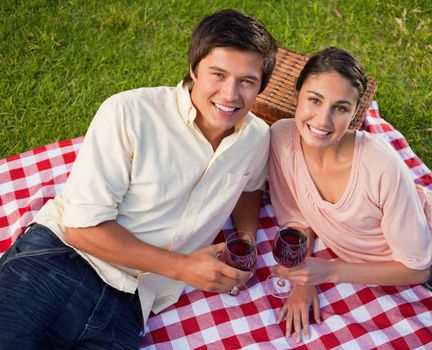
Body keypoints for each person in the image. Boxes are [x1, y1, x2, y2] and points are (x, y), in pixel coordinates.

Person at [0, 9, 277, 349]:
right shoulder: (129, 113)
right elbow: (81, 229)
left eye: (246, 81)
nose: (231, 94)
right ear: (193, 69)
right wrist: (183, 269)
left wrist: (246, 239)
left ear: (261, 85)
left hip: (130, 305)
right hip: (60, 264)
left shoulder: (257, 138)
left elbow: (249, 186)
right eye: (217, 74)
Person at [268, 47, 432, 349]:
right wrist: (302, 281)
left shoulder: (378, 161)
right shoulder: (282, 139)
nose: (323, 120)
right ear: (297, 94)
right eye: (314, 99)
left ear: (355, 113)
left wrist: (327, 272)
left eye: (340, 108)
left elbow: (417, 267)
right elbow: (297, 219)